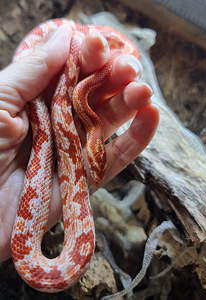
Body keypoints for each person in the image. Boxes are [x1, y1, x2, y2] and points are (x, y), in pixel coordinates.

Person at [0, 25, 159, 262]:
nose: (93, 174)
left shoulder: (84, 110)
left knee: (114, 55)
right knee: (80, 44)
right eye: (94, 163)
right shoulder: (78, 107)